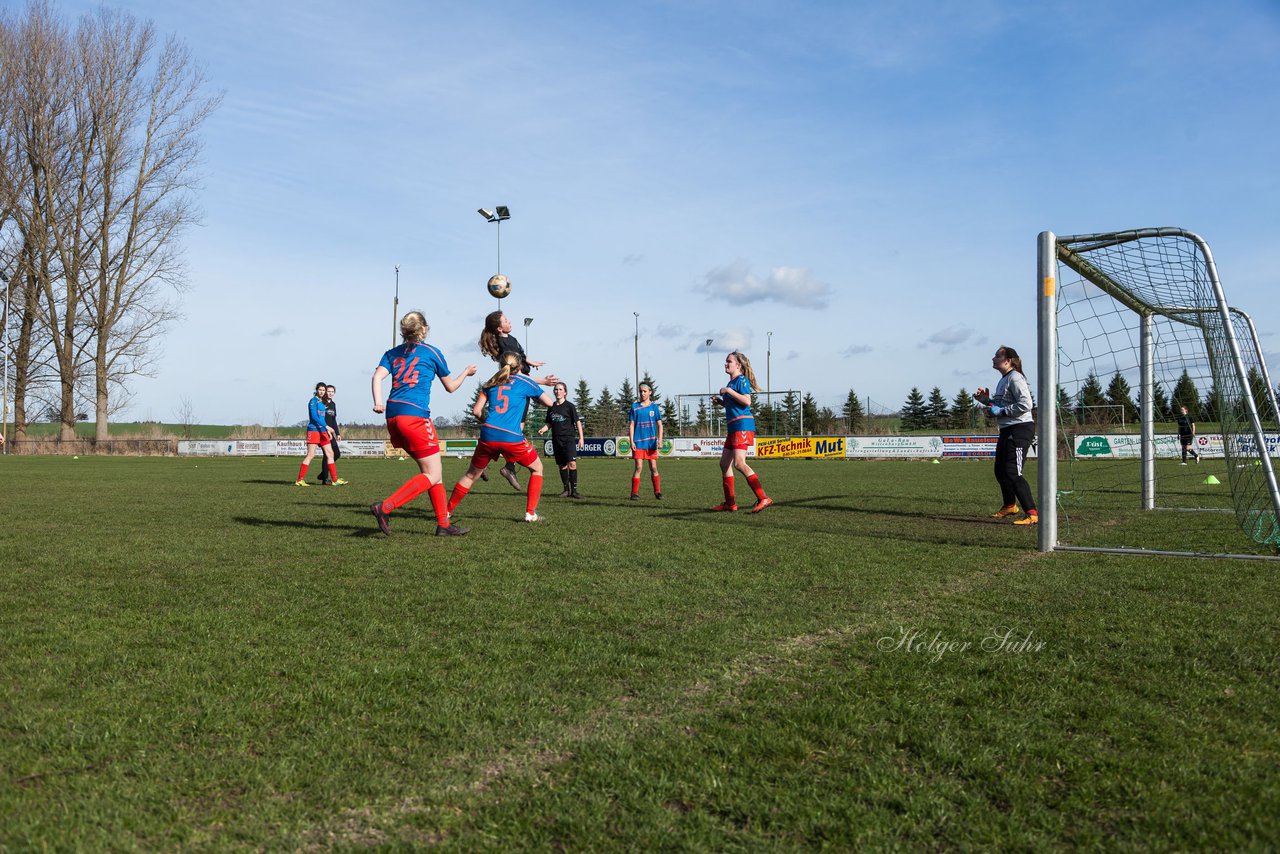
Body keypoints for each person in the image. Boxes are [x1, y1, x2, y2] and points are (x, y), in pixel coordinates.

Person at [369, 311, 477, 536]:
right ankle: (385, 507)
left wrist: (378, 402)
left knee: (432, 471)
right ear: (424, 329)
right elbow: (451, 387)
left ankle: (444, 525)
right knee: (433, 474)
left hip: (393, 414)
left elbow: (377, 377)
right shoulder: (432, 352)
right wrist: (466, 372)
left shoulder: (392, 353)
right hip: (415, 416)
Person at [447, 352, 555, 522]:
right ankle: (530, 513)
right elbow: (549, 403)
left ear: (500, 365)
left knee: (470, 475)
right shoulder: (526, 382)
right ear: (519, 367)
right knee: (537, 469)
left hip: (488, 434)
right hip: (511, 436)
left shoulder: (490, 383)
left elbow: (476, 411)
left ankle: (446, 512)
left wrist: (489, 422)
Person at [478, 311, 558, 492]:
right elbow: (518, 375)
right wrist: (543, 382)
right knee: (515, 430)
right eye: (506, 320)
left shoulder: (511, 339)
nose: (509, 321)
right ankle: (505, 467)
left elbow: (521, 357)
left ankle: (503, 466)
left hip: (520, 386)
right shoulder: (504, 346)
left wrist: (532, 362)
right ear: (499, 328)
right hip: (518, 388)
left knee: (516, 430)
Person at [975, 345, 1037, 525]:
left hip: (1019, 429)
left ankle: (1032, 514)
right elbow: (999, 407)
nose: (993, 358)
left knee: (1012, 472)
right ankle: (1010, 506)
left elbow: (1026, 405)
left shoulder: (1016, 378)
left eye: (997, 356)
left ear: (1007, 360)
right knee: (1000, 471)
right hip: (1007, 429)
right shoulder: (1004, 379)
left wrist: (1001, 411)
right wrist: (987, 401)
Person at [710, 351, 772, 513]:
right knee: (724, 464)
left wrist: (728, 392)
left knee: (739, 463)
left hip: (742, 425)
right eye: (725, 361)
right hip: (733, 427)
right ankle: (730, 503)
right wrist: (721, 402)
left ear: (738, 365)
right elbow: (735, 405)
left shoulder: (741, 380)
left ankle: (763, 498)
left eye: (729, 361)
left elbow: (746, 401)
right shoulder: (731, 383)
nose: (725, 363)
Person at [538, 380, 585, 498]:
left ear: (565, 392)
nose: (557, 391)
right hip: (556, 439)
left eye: (560, 389)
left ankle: (574, 491)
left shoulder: (570, 406)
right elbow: (549, 423)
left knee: (572, 464)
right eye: (556, 389)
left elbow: (578, 422)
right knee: (562, 465)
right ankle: (566, 490)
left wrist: (581, 438)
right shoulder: (551, 407)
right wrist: (543, 429)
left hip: (568, 439)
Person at [296, 382, 344, 486]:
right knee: (311, 455)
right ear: (316, 390)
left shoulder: (322, 402)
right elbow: (314, 417)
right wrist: (327, 427)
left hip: (322, 431)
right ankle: (299, 480)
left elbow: (323, 418)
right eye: (320, 390)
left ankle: (335, 480)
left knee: (330, 454)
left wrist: (326, 430)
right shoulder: (313, 401)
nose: (322, 392)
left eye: (323, 390)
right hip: (313, 430)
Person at [628, 382, 664, 500]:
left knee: (653, 467)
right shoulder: (635, 407)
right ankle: (634, 493)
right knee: (638, 467)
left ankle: (657, 492)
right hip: (638, 442)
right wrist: (631, 441)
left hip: (651, 442)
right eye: (640, 391)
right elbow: (632, 425)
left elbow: (660, 424)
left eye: (644, 391)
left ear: (650, 392)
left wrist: (660, 440)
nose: (642, 393)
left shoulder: (654, 407)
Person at [316, 384, 343, 484]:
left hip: (331, 433)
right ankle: (325, 479)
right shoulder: (321, 403)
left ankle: (323, 474)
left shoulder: (333, 404)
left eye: (332, 392)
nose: (330, 393)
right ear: (325, 392)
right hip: (323, 432)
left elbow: (333, 420)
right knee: (327, 455)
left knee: (337, 454)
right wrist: (325, 429)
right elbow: (319, 419)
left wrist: (337, 433)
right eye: (328, 391)